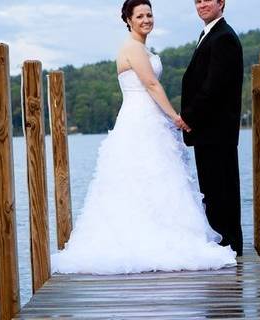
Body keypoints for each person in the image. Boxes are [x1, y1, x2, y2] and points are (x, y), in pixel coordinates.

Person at [51, 0, 236, 274]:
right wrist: (176, 116)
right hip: (139, 120)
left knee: (160, 179)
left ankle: (163, 234)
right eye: (139, 16)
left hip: (152, 120)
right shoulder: (131, 48)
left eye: (149, 14)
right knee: (138, 178)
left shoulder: (144, 48)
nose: (146, 19)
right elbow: (150, 84)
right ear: (128, 19)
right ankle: (140, 240)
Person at [181, 0, 244, 256]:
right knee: (213, 190)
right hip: (209, 131)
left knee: (221, 190)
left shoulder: (224, 38)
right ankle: (224, 242)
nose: (202, 4)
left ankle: (229, 244)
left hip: (217, 131)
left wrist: (188, 117)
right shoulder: (209, 34)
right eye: (197, 1)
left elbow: (213, 87)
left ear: (221, 3)